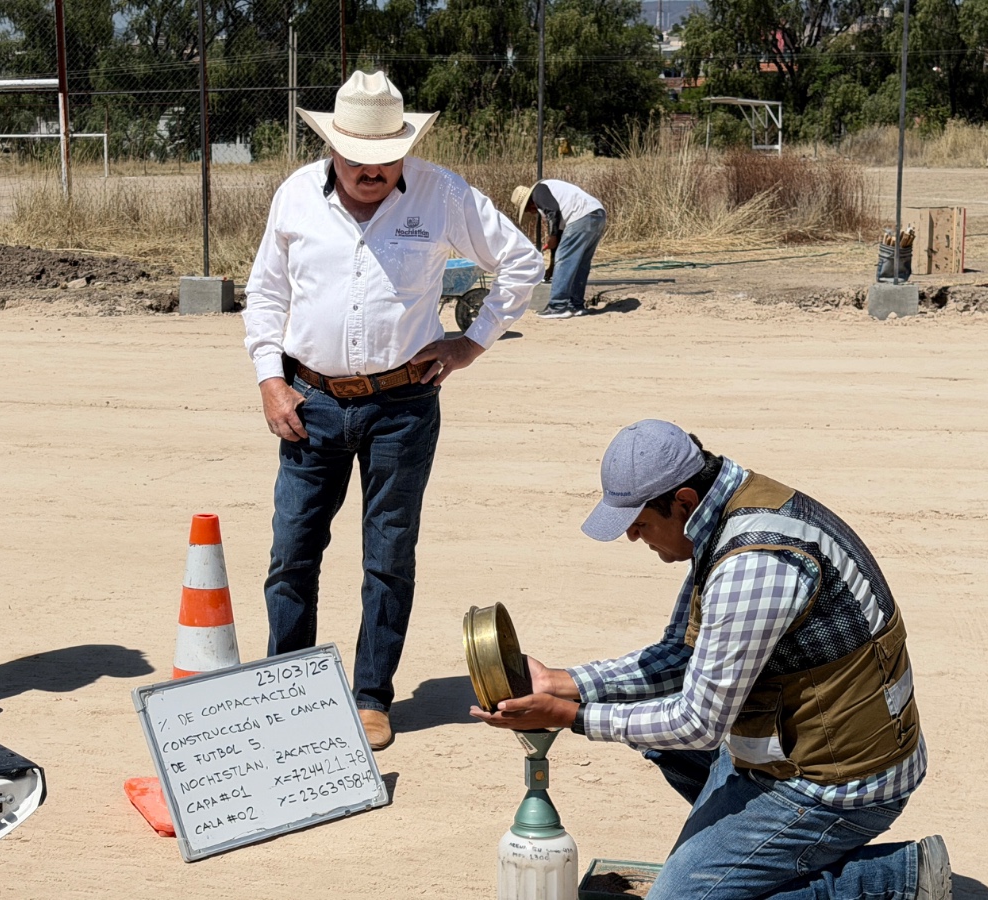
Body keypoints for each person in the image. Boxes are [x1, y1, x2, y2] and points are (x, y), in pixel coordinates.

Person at [472, 419, 952, 900]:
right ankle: (751, 860)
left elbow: (697, 724)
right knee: (654, 737)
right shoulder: (725, 511)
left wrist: (573, 717)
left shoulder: (752, 564)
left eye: (640, 524)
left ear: (683, 501)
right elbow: (680, 658)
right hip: (805, 742)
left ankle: (895, 879)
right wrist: (564, 682)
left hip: (840, 784)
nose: (634, 539)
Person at [243, 71, 544, 751]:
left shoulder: (442, 194)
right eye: (357, 159)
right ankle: (289, 690)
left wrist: (473, 342)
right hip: (310, 401)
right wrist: (269, 379)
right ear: (333, 147)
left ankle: (372, 697)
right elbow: (264, 295)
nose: (371, 172)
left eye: (385, 160)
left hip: (403, 407)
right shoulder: (294, 196)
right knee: (292, 552)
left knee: (387, 556)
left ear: (403, 149)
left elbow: (521, 262)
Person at [511, 180, 606, 319]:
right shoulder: (558, 200)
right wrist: (552, 266)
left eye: (528, 210)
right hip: (597, 215)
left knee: (566, 260)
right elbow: (561, 244)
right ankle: (576, 306)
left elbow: (553, 213)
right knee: (581, 263)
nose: (532, 213)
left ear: (530, 202)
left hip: (581, 217)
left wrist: (551, 236)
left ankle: (558, 306)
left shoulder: (539, 191)